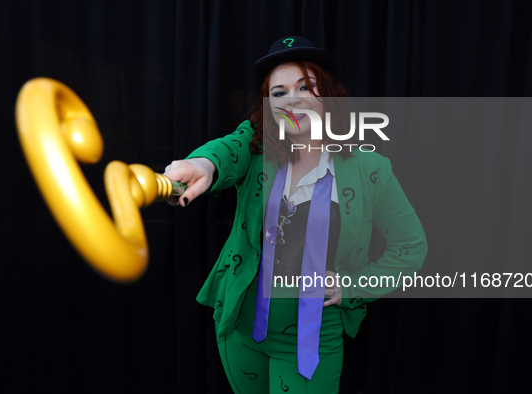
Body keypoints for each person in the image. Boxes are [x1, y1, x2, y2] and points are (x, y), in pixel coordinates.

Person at [164, 36, 427, 393]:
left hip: (312, 340)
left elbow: (410, 247)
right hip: (240, 328)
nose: (293, 98)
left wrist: (354, 286)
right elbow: (227, 151)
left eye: (307, 86)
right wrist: (203, 163)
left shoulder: (370, 168)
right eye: (279, 92)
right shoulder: (256, 147)